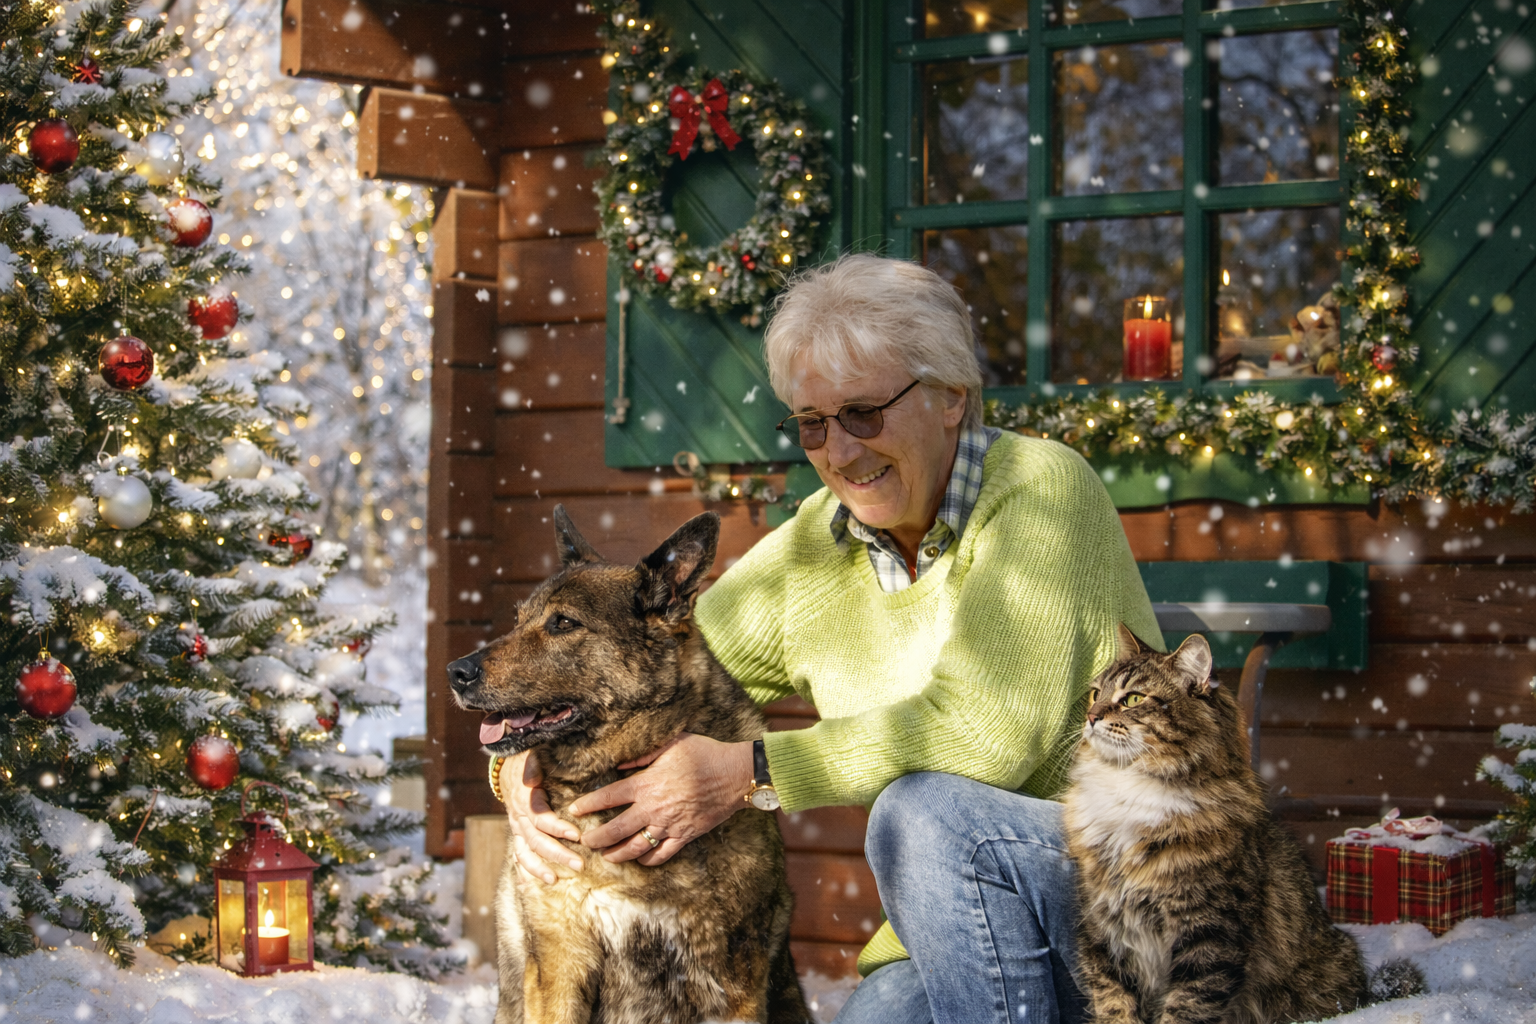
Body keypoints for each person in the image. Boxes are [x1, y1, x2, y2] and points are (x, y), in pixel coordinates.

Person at [495, 253, 1162, 1024]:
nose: (839, 453)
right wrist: (519, 761)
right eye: (812, 425)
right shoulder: (816, 548)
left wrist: (747, 770)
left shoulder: (1044, 491)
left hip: (1132, 911)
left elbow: (984, 737)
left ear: (950, 397)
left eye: (863, 414)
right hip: (954, 944)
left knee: (926, 814)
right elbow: (636, 660)